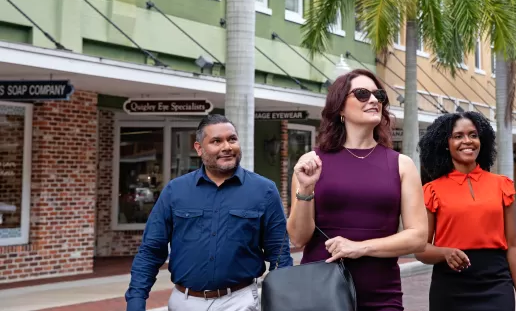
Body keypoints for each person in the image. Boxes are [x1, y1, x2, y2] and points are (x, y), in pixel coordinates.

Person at [287, 68, 427, 311]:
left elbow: (417, 236)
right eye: (362, 94)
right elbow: (298, 237)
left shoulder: (401, 164)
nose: (373, 100)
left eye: (379, 95)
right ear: (340, 107)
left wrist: (360, 247)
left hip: (382, 297)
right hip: (320, 295)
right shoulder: (311, 163)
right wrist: (306, 188)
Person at [125, 114, 292, 311]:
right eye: (216, 141)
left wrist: (282, 303)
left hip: (240, 301)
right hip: (185, 302)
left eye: (232, 139)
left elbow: (280, 255)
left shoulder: (264, 190)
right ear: (199, 148)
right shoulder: (175, 191)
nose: (227, 147)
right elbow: (151, 251)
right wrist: (136, 302)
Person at [414, 111, 516, 311]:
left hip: (496, 282)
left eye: (473, 135)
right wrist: (444, 252)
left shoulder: (502, 185)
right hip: (450, 286)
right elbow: (420, 248)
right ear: (445, 143)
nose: (467, 141)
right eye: (458, 136)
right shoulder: (432, 190)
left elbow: (514, 245)